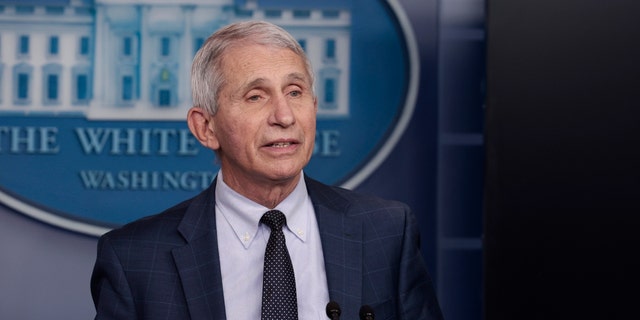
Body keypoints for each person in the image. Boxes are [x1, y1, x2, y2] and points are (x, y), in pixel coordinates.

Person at [90, 20, 443, 320]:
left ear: (314, 107)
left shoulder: (387, 232)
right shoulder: (134, 260)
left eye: (295, 92)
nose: (284, 116)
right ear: (206, 128)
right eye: (256, 96)